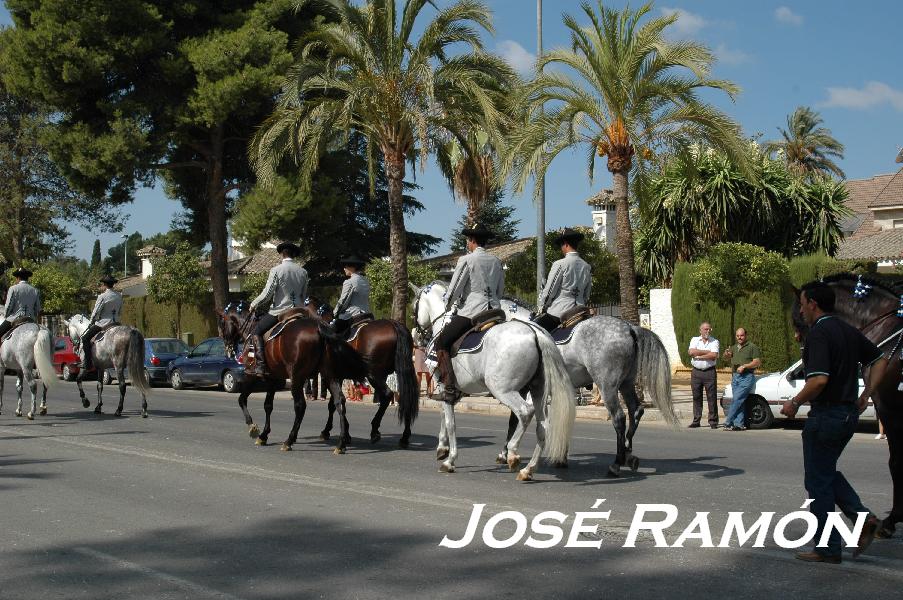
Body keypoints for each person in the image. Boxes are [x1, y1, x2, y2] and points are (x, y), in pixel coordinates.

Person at [781, 280, 888, 563]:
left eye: (802, 304)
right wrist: (866, 394)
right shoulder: (848, 331)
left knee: (817, 482)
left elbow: (818, 380)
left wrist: (794, 402)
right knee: (824, 473)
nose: (801, 310)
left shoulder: (819, 333)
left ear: (813, 304)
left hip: (826, 415)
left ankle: (828, 548)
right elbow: (880, 360)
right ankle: (863, 520)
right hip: (846, 415)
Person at [434, 223, 504, 403]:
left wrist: (448, 305)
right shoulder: (496, 261)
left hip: (472, 312)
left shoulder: (467, 260)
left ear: (472, 241)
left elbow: (454, 288)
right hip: (495, 311)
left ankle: (450, 388)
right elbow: (500, 290)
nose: (467, 243)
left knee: (441, 342)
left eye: (468, 240)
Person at [248, 242, 309, 376]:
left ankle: (261, 365)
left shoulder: (276, 270)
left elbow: (267, 294)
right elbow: (303, 295)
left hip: (280, 311)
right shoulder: (303, 271)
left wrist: (254, 304)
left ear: (282, 254)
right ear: (294, 255)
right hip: (299, 311)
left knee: (256, 332)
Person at [533, 228, 592, 332]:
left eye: (561, 245)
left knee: (534, 331)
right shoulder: (586, 266)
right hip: (580, 312)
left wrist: (542, 307)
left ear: (565, 244)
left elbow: (550, 291)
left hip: (559, 312)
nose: (561, 248)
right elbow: (586, 294)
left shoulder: (560, 264)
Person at [79, 275, 123, 371]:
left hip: (103, 323)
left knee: (85, 338)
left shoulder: (102, 296)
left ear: (104, 285)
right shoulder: (119, 296)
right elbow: (120, 311)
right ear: (113, 285)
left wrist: (91, 321)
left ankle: (88, 363)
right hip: (117, 323)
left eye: (102, 284)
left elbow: (96, 311)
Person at [723, 327, 761, 431]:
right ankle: (739, 424)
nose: (739, 337)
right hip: (735, 377)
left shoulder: (752, 347)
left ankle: (728, 421)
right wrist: (726, 354)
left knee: (737, 399)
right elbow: (725, 358)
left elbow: (757, 362)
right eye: (738, 336)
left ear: (746, 335)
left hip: (747, 377)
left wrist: (745, 366)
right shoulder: (734, 347)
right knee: (740, 401)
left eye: (742, 335)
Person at [687, 321, 720, 428]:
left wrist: (699, 354)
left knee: (712, 397)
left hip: (709, 372)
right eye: (705, 329)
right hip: (696, 372)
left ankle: (713, 421)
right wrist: (707, 352)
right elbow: (691, 352)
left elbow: (714, 355)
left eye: (709, 329)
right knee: (696, 396)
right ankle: (696, 420)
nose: (707, 331)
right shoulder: (694, 339)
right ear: (700, 330)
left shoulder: (714, 341)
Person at [331, 255, 371, 338]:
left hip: (353, 314)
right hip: (367, 313)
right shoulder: (365, 280)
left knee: (331, 334)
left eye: (346, 266)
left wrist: (335, 314)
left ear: (353, 267)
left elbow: (343, 301)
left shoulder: (349, 282)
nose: (344, 269)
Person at [0, 267, 41, 344]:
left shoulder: (13, 288)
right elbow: (37, 309)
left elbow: (8, 307)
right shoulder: (35, 290)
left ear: (18, 278)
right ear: (27, 278)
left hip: (15, 318)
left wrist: (6, 315)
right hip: (30, 319)